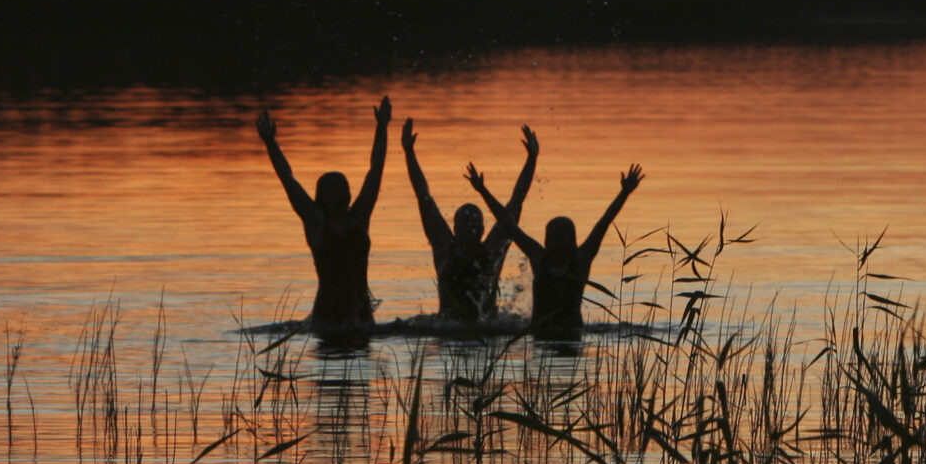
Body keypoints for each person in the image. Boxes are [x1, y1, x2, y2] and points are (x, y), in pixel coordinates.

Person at [256, 96, 391, 332]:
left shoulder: (359, 217)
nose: (343, 193)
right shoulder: (316, 221)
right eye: (335, 189)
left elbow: (376, 170)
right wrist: (270, 143)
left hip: (361, 315)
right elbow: (288, 179)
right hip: (326, 315)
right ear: (322, 196)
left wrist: (382, 127)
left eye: (345, 188)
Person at [466, 161, 642, 338]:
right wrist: (483, 191)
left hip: (573, 336)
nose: (555, 241)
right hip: (539, 336)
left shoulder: (582, 258)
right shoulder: (538, 257)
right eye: (551, 237)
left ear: (571, 239)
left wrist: (624, 193)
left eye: (560, 236)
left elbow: (604, 222)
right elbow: (509, 225)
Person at [402, 118, 537, 325]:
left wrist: (532, 159)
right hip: (449, 326)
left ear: (483, 229)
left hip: (483, 326)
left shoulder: (492, 251)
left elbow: (515, 203)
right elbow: (423, 196)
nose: (470, 226)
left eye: (475, 222)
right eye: (465, 222)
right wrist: (409, 153)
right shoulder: (444, 249)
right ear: (454, 228)